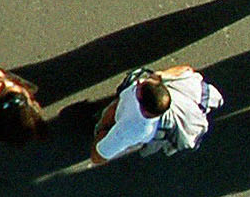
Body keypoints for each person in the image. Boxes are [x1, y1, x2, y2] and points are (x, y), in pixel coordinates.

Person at [90, 65, 224, 162]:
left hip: (130, 128)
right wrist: (161, 75)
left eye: (140, 87)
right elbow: (186, 70)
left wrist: (104, 129)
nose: (139, 82)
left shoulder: (133, 129)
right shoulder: (171, 84)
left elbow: (99, 156)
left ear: (144, 108)